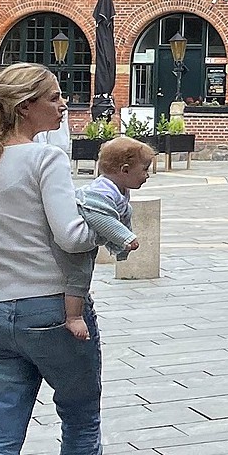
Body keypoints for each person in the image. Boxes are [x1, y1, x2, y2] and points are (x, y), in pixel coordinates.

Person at [0, 63, 104, 455]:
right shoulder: (45, 158)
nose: (64, 104)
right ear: (27, 107)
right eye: (55, 96)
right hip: (53, 311)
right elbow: (71, 236)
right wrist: (106, 225)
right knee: (81, 424)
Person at [65, 137, 149, 341]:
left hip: (88, 241)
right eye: (145, 170)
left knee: (84, 273)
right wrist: (125, 238)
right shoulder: (101, 192)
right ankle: (74, 317)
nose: (147, 176)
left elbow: (121, 214)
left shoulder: (120, 189)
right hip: (74, 241)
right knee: (78, 275)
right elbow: (101, 217)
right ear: (125, 170)